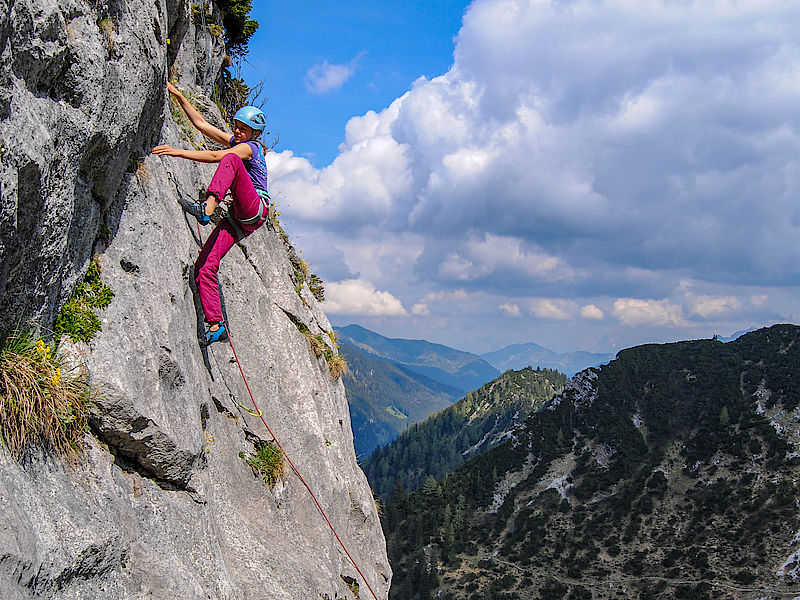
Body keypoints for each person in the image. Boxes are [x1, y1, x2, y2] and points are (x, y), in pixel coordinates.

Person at [153, 83, 270, 345]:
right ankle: (217, 325)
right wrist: (180, 96)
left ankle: (206, 210)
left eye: (243, 128)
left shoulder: (250, 148)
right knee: (204, 267)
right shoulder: (238, 141)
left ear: (254, 133)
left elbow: (220, 156)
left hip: (254, 208)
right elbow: (201, 125)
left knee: (231, 161)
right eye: (237, 126)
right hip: (242, 219)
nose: (237, 131)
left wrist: (178, 151)